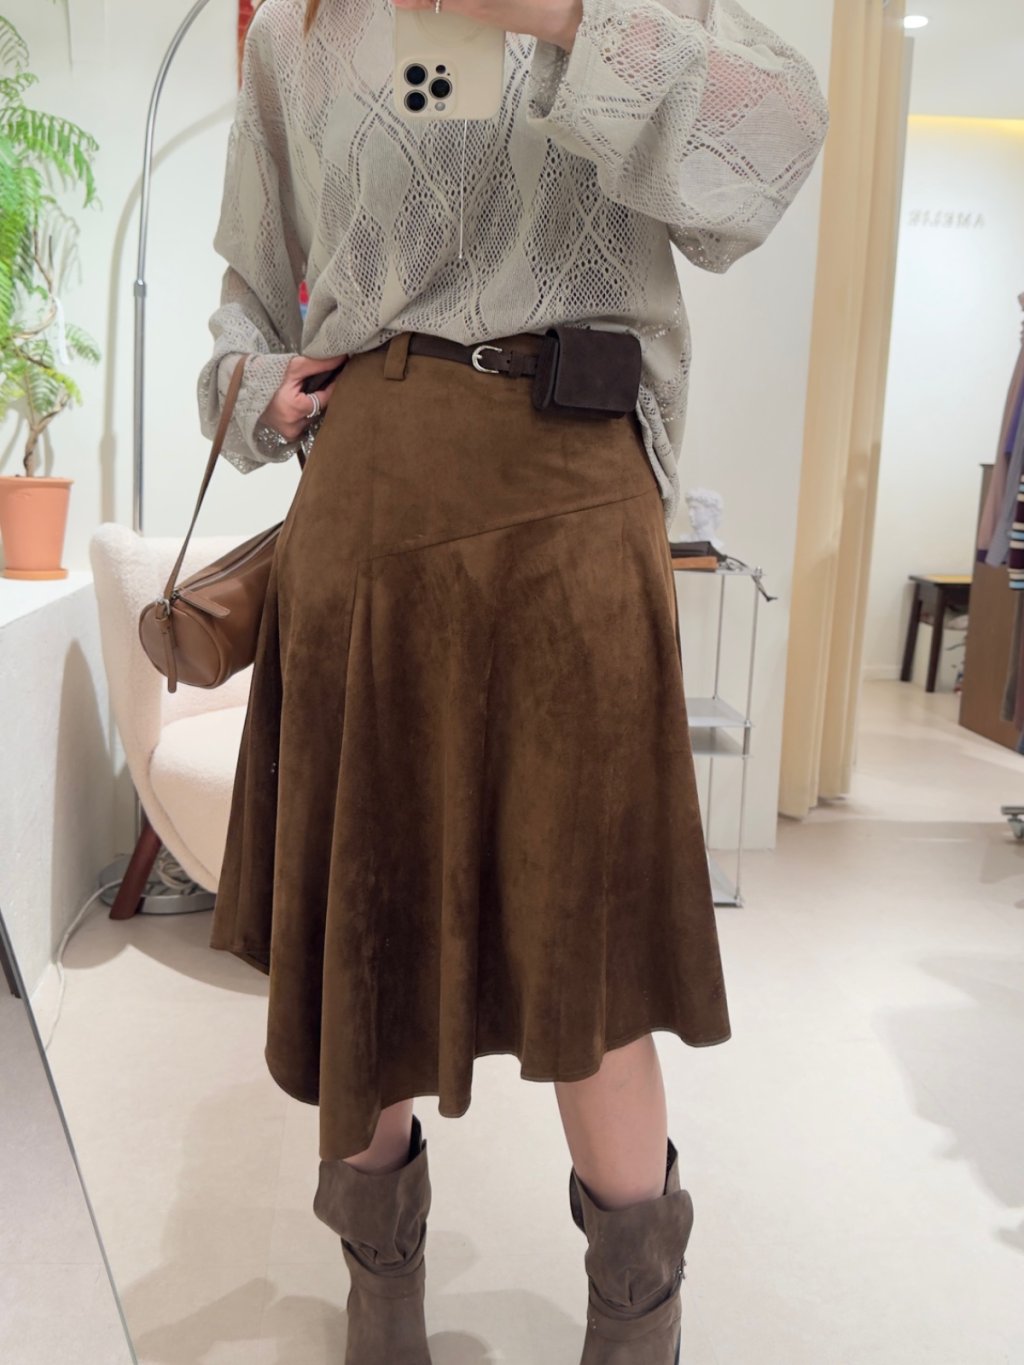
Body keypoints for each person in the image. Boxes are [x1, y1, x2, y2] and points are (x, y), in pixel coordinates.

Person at [197, 0, 828, 1360]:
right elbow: (252, 291)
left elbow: (777, 138)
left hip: (573, 499)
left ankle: (639, 1317)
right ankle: (382, 1293)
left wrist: (556, 14)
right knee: (365, 938)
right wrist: (260, 387)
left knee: (588, 942)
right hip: (369, 506)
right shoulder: (297, 35)